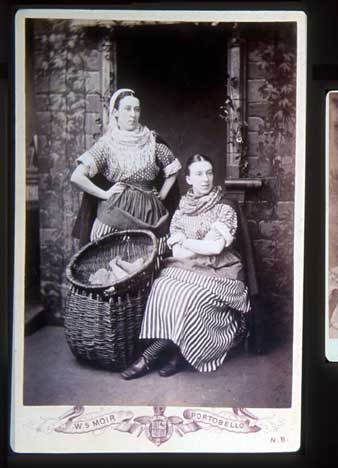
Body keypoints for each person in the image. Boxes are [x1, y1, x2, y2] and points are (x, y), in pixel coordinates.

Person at [121, 153, 251, 379]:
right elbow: (179, 252)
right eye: (199, 174)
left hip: (221, 271)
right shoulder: (181, 210)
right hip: (186, 266)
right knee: (162, 286)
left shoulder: (224, 207)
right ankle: (168, 352)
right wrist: (194, 245)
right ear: (189, 179)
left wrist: (187, 242)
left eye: (209, 173)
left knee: (189, 296)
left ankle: (163, 355)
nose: (205, 179)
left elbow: (215, 248)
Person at [71, 88, 182, 256]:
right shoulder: (106, 145)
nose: (133, 114)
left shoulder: (151, 140)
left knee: (149, 260)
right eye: (127, 109)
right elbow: (77, 176)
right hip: (115, 212)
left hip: (149, 212)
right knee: (109, 261)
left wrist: (162, 195)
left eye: (136, 109)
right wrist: (105, 194)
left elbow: (173, 169)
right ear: (115, 113)